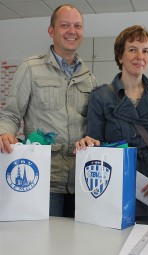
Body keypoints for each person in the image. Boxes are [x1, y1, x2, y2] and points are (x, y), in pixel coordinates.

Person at [0, 4, 99, 217]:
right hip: (44, 180)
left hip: (81, 182)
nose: (72, 31)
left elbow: (94, 127)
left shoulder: (89, 78)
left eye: (77, 26)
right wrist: (5, 133)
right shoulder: (30, 68)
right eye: (65, 25)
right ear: (51, 31)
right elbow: (10, 114)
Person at [75, 25, 148, 222]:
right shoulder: (101, 96)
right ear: (120, 56)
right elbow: (95, 146)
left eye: (145, 50)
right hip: (115, 186)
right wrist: (86, 143)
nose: (140, 56)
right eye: (132, 49)